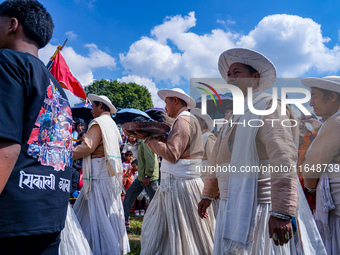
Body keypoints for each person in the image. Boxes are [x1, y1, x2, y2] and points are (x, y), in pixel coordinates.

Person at [198, 48, 326, 254]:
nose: (230, 77)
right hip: (231, 202)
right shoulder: (236, 114)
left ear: (255, 76)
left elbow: (283, 156)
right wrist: (208, 194)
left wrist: (282, 211)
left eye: (237, 72)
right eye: (228, 74)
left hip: (259, 206)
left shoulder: (268, 105)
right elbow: (218, 158)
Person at [0, 1, 73, 254]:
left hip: (10, 219)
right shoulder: (57, 87)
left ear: (12, 24)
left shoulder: (7, 63)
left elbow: (6, 145)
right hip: (49, 214)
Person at [130, 88, 215, 255]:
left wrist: (148, 139)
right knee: (181, 230)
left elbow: (171, 154)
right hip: (181, 182)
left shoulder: (183, 120)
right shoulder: (185, 120)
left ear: (175, 100)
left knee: (181, 230)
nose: (165, 107)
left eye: (166, 102)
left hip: (180, 185)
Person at [72, 94, 130, 255]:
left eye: (93, 106)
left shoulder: (98, 123)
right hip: (108, 173)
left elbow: (87, 147)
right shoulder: (111, 124)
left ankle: (103, 249)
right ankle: (89, 246)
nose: (91, 110)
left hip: (98, 174)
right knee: (101, 211)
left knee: (98, 213)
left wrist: (65, 154)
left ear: (100, 106)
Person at [302, 76, 340, 254]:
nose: (311, 103)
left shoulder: (335, 123)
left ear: (332, 97)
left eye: (314, 96)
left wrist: (309, 188)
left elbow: (312, 167)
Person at [123, 137, 159, 227]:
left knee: (156, 200)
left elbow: (150, 161)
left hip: (149, 178)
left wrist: (147, 176)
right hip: (141, 176)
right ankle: (124, 219)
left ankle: (161, 221)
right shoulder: (140, 142)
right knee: (130, 194)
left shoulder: (145, 142)